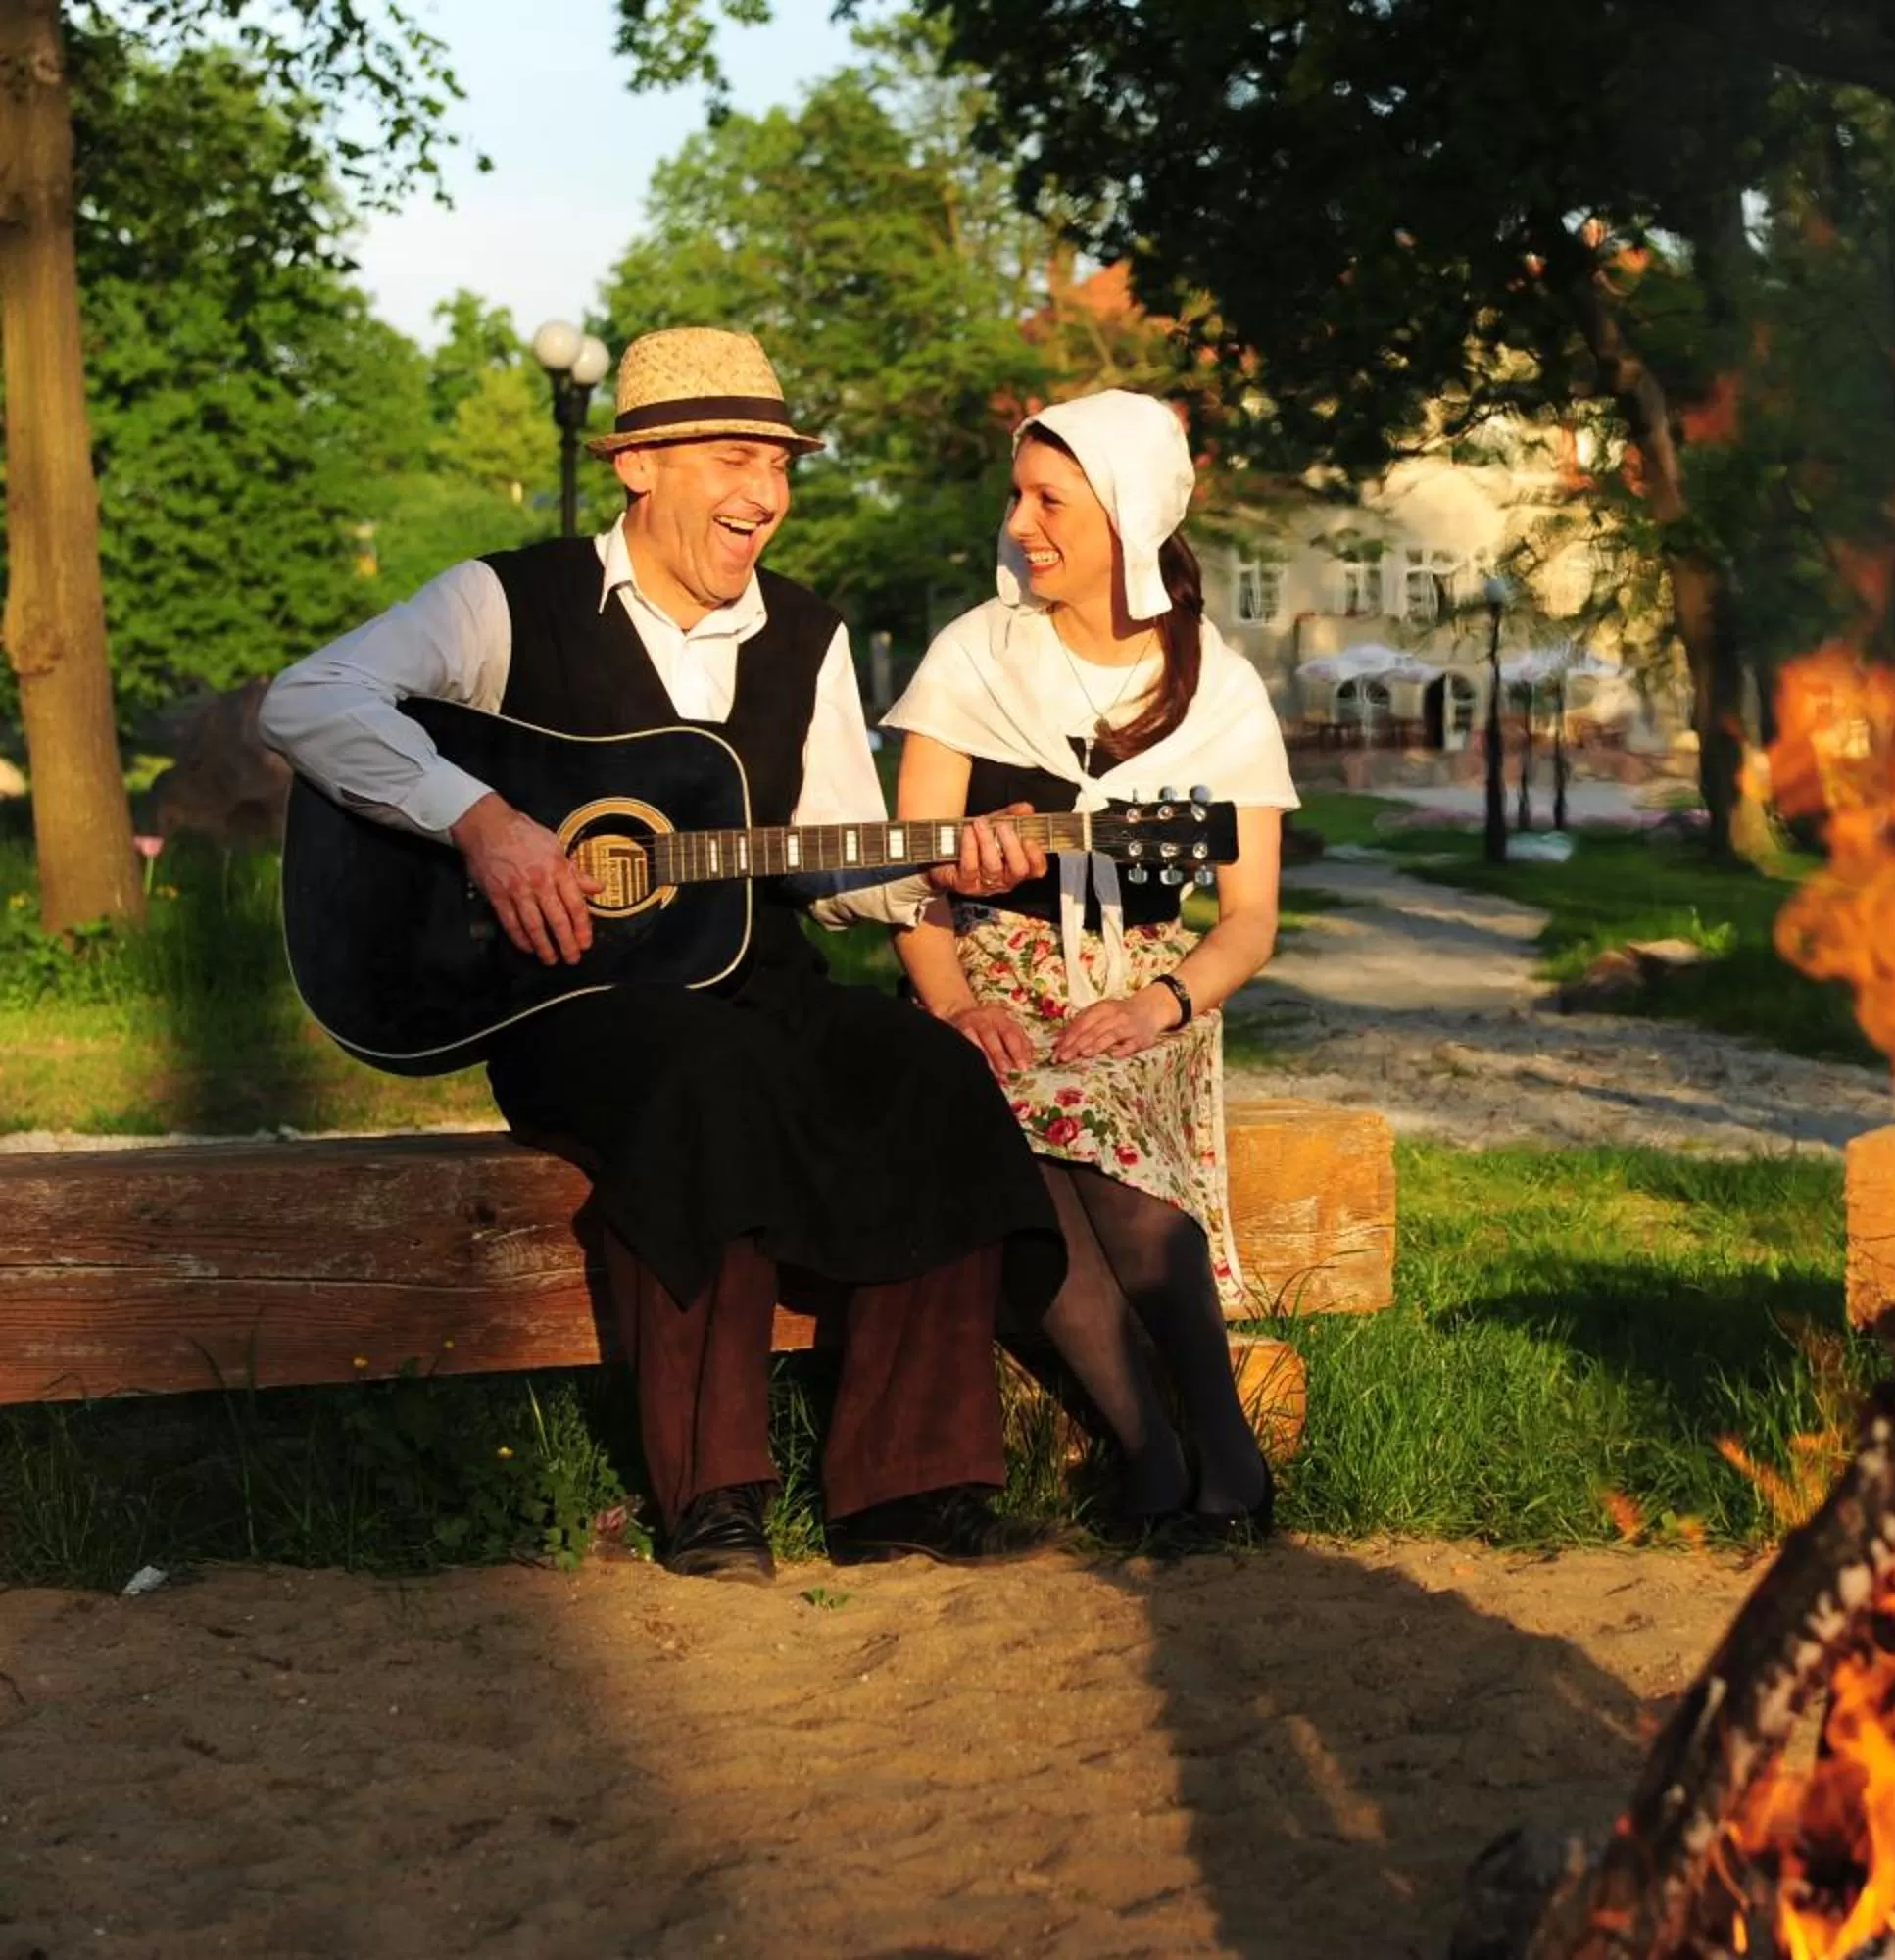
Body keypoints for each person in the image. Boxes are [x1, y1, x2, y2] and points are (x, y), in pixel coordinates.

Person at [259, 326, 1062, 1583]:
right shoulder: (504, 601)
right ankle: (716, 1497)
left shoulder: (807, 633)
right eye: (738, 459)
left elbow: (818, 855)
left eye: (782, 466)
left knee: (928, 1073)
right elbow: (307, 700)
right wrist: (483, 823)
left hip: (758, 982)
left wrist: (939, 864)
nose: (767, 495)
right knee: (702, 1075)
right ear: (638, 464)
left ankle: (909, 1488)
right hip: (567, 1000)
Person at [880, 387, 1295, 1540]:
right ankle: (1150, 1451)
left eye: (1049, 498)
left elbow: (1248, 918)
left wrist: (1158, 1005)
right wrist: (957, 1001)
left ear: (1127, 515)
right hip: (985, 975)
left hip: (1146, 983)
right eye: (1018, 494)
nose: (1020, 522)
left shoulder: (1219, 687)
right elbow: (909, 875)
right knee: (1010, 1111)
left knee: (1093, 1098)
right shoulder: (974, 654)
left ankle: (1226, 1447)